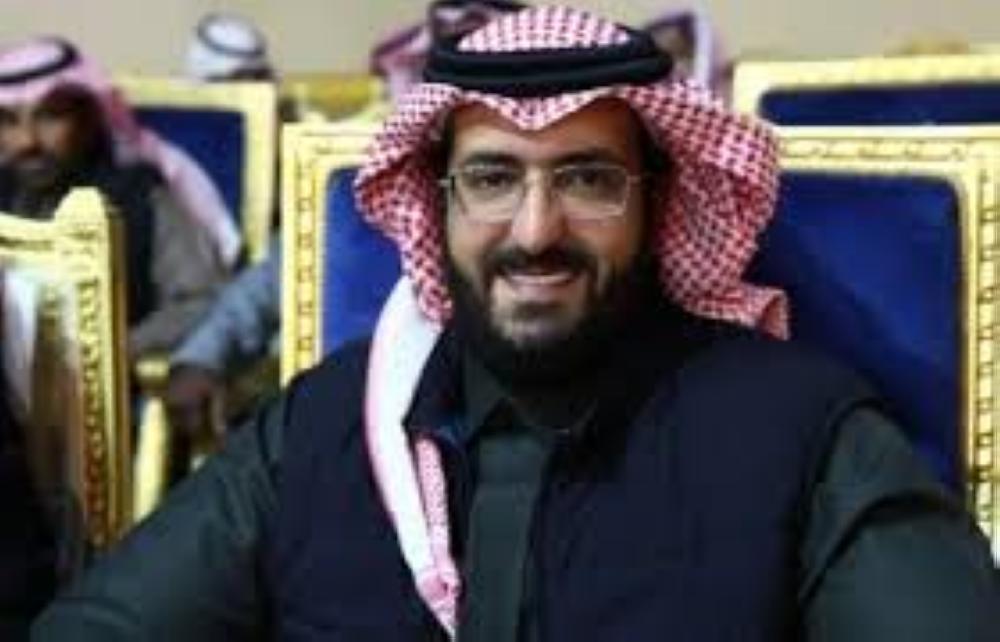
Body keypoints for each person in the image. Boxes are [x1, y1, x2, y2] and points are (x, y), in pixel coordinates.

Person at [35, 7, 1000, 641]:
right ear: (438, 202)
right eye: (492, 179)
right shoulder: (322, 427)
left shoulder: (802, 434)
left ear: (657, 204)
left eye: (588, 180)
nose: (536, 231)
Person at [0, 37, 234, 359]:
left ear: (89, 119)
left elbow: (200, 300)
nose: (27, 141)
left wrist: (112, 354)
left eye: (49, 117)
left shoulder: (141, 198)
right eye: (7, 121)